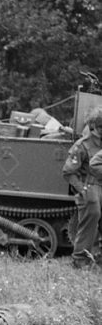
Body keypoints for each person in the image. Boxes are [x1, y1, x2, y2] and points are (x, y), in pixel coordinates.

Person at [62, 105, 102, 268]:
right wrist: (82, 189)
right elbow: (68, 172)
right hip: (89, 187)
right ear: (97, 126)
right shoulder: (83, 145)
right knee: (91, 220)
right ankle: (79, 259)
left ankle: (97, 258)